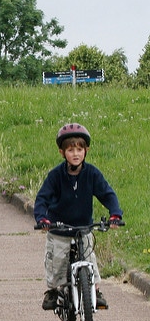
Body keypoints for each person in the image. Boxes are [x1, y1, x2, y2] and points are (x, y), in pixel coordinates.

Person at [34, 123, 123, 311]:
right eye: (70, 150)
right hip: (59, 230)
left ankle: (95, 290)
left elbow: (107, 194)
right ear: (62, 152)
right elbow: (42, 198)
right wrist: (42, 219)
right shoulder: (56, 176)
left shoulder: (92, 174)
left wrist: (115, 214)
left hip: (83, 230)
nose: (75, 154)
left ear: (86, 150)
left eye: (79, 149)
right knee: (56, 263)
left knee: (90, 261)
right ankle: (52, 291)